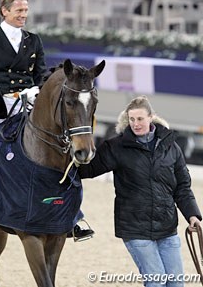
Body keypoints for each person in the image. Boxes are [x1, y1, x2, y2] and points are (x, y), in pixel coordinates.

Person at [0, 0, 94, 241]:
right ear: (5, 11)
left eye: (26, 11)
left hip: (28, 104)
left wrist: (38, 88)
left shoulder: (33, 40)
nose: (24, 15)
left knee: (63, 146)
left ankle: (74, 216)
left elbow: (41, 74)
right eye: (19, 11)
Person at [78, 95, 202, 287]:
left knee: (176, 284)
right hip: (135, 229)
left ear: (151, 117)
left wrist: (192, 214)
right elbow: (88, 169)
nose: (135, 124)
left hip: (167, 228)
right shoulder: (116, 147)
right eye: (132, 119)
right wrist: (75, 149)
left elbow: (182, 187)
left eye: (140, 119)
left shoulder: (171, 146)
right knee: (157, 282)